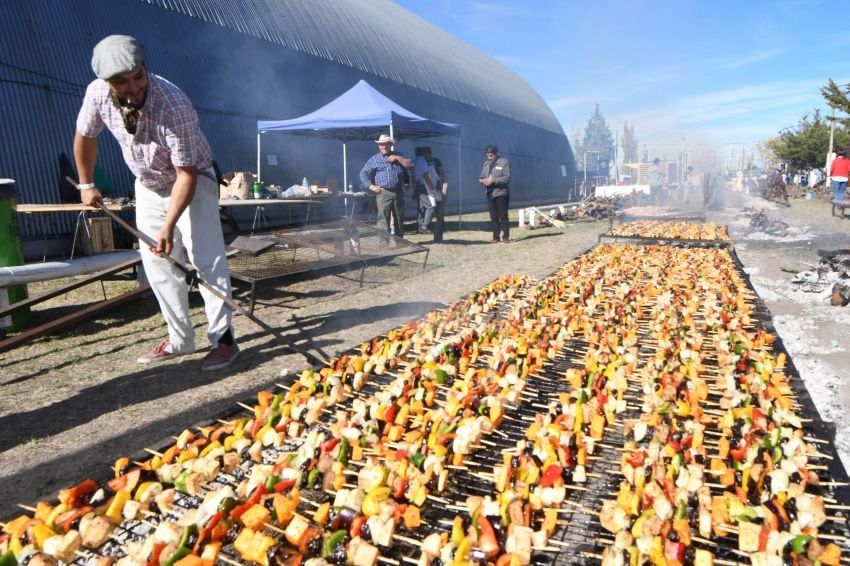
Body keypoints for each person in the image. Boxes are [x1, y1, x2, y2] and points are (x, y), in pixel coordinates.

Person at [74, 34, 238, 371]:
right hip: (148, 184)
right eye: (122, 82)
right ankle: (180, 340)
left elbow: (186, 174)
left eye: (138, 76)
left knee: (205, 258)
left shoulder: (174, 104)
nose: (133, 87)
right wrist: (86, 184)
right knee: (158, 263)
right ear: (107, 81)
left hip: (193, 180)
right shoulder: (97, 94)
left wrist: (168, 225)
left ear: (145, 67)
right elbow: (85, 136)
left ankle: (223, 340)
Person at [359, 134, 410, 241]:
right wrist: (371, 186)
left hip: (398, 191)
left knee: (399, 219)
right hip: (383, 192)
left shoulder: (399, 155)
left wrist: (397, 158)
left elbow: (408, 166)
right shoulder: (374, 159)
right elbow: (363, 173)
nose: (383, 147)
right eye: (381, 144)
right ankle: (384, 244)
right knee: (383, 220)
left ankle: (400, 243)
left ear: (390, 145)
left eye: (386, 144)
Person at [479, 145, 511, 243]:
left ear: (497, 153)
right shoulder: (486, 164)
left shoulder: (504, 162)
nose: (489, 158)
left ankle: (505, 237)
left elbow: (507, 178)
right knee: (493, 216)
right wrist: (483, 181)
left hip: (501, 193)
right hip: (490, 193)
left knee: (503, 216)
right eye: (487, 156)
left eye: (491, 155)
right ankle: (495, 237)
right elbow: (481, 177)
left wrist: (493, 181)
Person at [425, 146, 448, 242]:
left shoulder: (437, 161)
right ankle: (426, 228)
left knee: (440, 215)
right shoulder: (422, 163)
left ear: (429, 153)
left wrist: (443, 190)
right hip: (427, 191)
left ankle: (438, 237)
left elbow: (442, 175)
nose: (425, 156)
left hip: (438, 189)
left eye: (426, 154)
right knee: (429, 212)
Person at [412, 147, 437, 233]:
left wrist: (414, 189)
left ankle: (419, 225)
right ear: (423, 153)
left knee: (421, 207)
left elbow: (413, 177)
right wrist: (432, 189)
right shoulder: (422, 162)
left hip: (417, 185)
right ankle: (425, 226)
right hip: (423, 186)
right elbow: (426, 176)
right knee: (431, 206)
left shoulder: (414, 162)